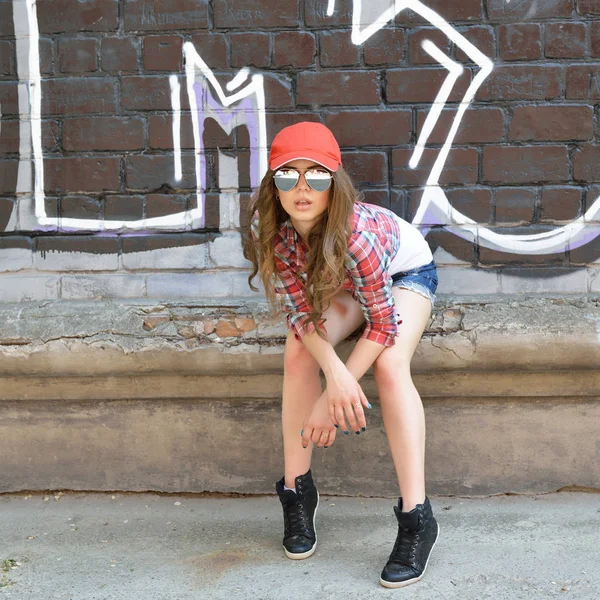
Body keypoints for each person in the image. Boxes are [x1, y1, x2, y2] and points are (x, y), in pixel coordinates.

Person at [244, 121, 439, 588]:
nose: (303, 188)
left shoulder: (359, 234)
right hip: (348, 284)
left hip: (404, 275)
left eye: (317, 175)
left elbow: (383, 322)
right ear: (274, 184)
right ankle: (296, 493)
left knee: (391, 365)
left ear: (335, 181)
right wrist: (332, 373)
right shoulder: (274, 232)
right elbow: (300, 317)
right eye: (289, 176)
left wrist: (335, 393)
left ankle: (417, 518)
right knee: (298, 354)